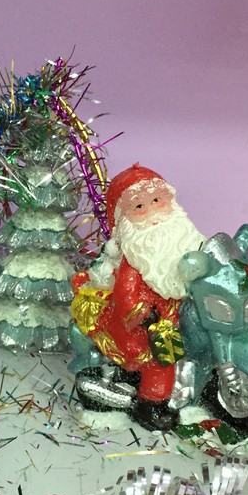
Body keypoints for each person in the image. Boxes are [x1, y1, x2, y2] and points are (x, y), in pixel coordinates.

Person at [72, 164, 204, 430]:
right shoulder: (136, 260)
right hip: (146, 326)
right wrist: (143, 314)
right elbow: (126, 296)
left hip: (183, 314)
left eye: (157, 201)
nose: (153, 212)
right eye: (140, 207)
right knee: (161, 360)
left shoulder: (188, 242)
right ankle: (151, 404)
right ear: (125, 220)